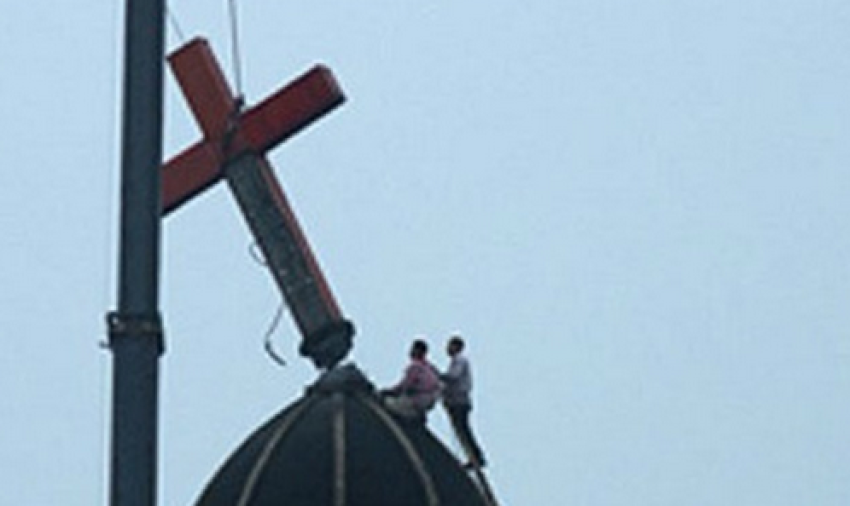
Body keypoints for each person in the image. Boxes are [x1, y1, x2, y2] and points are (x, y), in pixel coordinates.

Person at [441, 335, 486, 469]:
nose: (447, 349)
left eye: (450, 346)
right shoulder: (457, 361)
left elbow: (453, 377)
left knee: (463, 430)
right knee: (461, 430)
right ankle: (473, 456)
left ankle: (475, 456)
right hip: (457, 401)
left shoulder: (460, 360)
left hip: (459, 401)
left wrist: (440, 376)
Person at [382, 339, 441, 422]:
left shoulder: (416, 367)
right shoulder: (431, 368)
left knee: (388, 404)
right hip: (427, 402)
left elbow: (404, 386)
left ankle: (413, 415)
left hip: (417, 401)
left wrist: (387, 392)